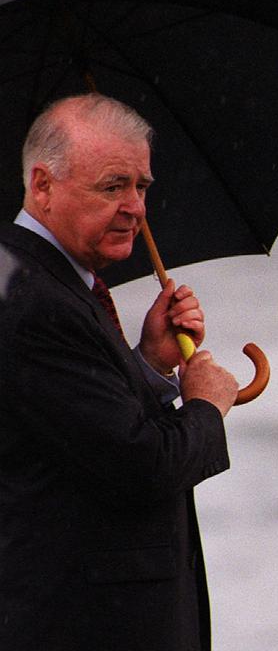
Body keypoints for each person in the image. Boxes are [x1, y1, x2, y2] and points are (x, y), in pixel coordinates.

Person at [0, 93, 241, 651]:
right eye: (113, 186)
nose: (136, 206)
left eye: (142, 186)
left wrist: (151, 365)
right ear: (42, 186)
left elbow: (80, 429)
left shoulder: (42, 280)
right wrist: (206, 406)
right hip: (84, 623)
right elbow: (139, 467)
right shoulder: (37, 302)